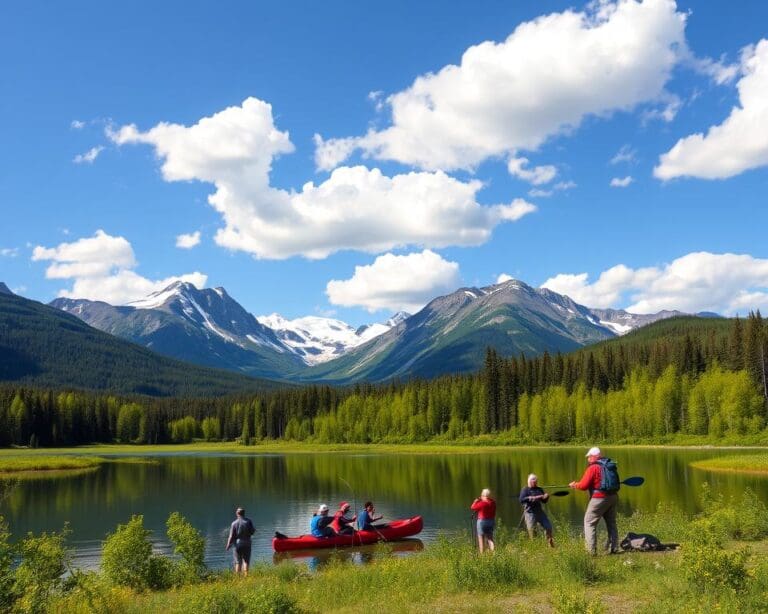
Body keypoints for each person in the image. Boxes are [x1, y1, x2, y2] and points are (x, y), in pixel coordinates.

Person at [569, 446, 619, 555]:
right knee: (611, 523)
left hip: (599, 498)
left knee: (589, 522)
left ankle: (591, 551)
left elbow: (583, 486)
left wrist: (575, 485)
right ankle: (614, 548)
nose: (588, 459)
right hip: (613, 496)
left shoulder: (593, 468)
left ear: (595, 456)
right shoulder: (609, 465)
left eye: (589, 456)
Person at [519, 474, 554, 547]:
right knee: (532, 532)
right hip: (530, 513)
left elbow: (544, 501)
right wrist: (532, 497)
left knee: (548, 527)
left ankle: (550, 544)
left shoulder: (539, 489)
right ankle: (535, 548)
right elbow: (521, 499)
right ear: (529, 481)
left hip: (539, 512)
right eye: (534, 481)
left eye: (536, 481)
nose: (536, 483)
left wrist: (546, 497)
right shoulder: (525, 490)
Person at [225, 507, 255, 575]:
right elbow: (252, 532)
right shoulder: (248, 521)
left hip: (237, 544)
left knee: (238, 562)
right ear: (244, 513)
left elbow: (231, 536)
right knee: (246, 561)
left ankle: (237, 577)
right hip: (247, 543)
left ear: (237, 513)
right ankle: (246, 576)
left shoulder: (234, 523)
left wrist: (228, 545)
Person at [470, 488, 496, 553]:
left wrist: (475, 501)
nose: (481, 496)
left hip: (482, 522)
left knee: (481, 538)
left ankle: (482, 555)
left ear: (484, 495)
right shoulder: (493, 502)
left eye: (481, 495)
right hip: (491, 521)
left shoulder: (482, 503)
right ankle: (493, 553)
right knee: (490, 538)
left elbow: (472, 507)